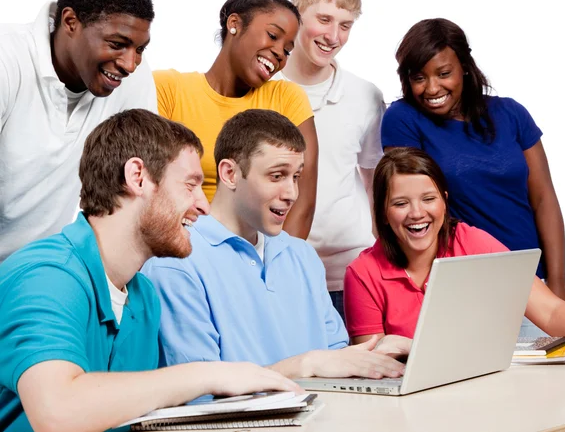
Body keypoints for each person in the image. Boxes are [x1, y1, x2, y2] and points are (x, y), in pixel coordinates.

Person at [0, 109, 300, 432]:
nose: (204, 205)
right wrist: (209, 373)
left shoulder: (144, 299)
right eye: (190, 185)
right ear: (137, 177)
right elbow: (57, 413)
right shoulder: (46, 276)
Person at [142, 109, 405, 380]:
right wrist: (305, 365)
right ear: (230, 173)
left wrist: (375, 356)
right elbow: (197, 394)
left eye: (296, 177)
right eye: (277, 176)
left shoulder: (302, 256)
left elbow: (334, 360)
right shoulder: (175, 262)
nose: (291, 193)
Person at [380, 19, 565, 316]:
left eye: (444, 73)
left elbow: (544, 199)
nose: (432, 88)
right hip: (462, 284)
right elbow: (409, 207)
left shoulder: (510, 113)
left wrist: (558, 282)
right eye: (419, 77)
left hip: (530, 282)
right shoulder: (403, 119)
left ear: (464, 67)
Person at [343, 147, 565, 354]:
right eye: (400, 203)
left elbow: (550, 310)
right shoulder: (362, 273)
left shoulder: (472, 242)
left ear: (444, 201)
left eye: (429, 199)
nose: (417, 213)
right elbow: (374, 364)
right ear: (383, 214)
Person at [0, 0, 159, 263]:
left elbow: (142, 182)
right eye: (117, 44)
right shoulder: (7, 57)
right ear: (71, 22)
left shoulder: (130, 80)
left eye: (140, 49)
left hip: (41, 268)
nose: (130, 64)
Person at [154, 0, 318, 239]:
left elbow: (302, 204)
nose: (279, 54)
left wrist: (277, 266)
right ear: (234, 24)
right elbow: (152, 191)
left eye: (287, 50)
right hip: (182, 248)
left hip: (259, 252)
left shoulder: (287, 98)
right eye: (273, 35)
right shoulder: (168, 90)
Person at [275, 0, 385, 321]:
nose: (333, 36)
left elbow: (374, 184)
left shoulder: (365, 96)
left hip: (351, 273)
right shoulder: (264, 89)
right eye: (324, 19)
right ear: (296, 15)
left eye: (346, 25)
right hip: (278, 269)